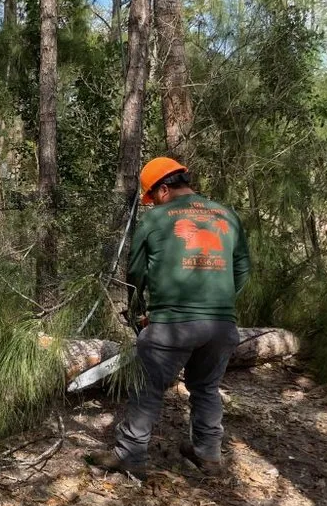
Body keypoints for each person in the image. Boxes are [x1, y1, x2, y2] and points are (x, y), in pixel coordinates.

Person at [88, 157, 251, 479]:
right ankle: (208, 454)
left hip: (172, 325)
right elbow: (243, 270)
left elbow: (134, 273)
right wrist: (218, 304)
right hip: (221, 325)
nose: (153, 203)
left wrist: (140, 313)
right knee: (206, 387)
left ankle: (130, 455)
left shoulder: (156, 218)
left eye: (153, 196)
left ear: (163, 188)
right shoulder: (227, 214)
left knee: (148, 388)